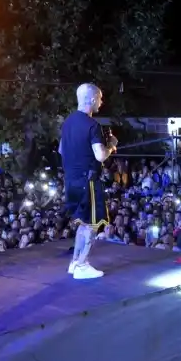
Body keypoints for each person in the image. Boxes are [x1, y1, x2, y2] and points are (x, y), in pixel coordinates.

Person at [60, 83, 116, 279]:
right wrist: (112, 146)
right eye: (100, 98)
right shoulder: (92, 125)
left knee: (84, 223)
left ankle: (75, 263)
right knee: (92, 224)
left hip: (71, 181)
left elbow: (61, 150)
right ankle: (82, 264)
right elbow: (100, 155)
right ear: (92, 99)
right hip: (88, 181)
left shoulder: (67, 123)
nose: (102, 102)